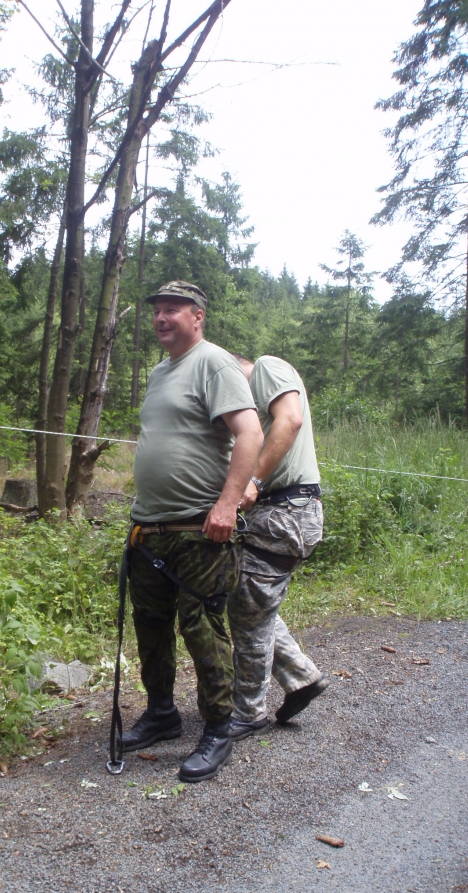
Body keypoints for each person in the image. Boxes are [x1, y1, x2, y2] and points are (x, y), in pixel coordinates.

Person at [120, 281, 264, 782]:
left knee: (202, 627)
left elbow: (251, 433)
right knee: (150, 624)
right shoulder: (160, 372)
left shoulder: (215, 363)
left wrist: (227, 503)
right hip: (150, 529)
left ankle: (218, 728)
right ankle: (161, 713)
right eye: (156, 310)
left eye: (172, 310)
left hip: (200, 529)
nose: (161, 318)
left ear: (197, 316)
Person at [227, 354, 329, 741]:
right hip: (282, 512)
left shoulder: (266, 368)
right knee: (253, 602)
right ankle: (301, 677)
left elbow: (291, 419)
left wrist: (252, 481)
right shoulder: (251, 408)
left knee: (249, 606)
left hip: (286, 510)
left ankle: (248, 713)